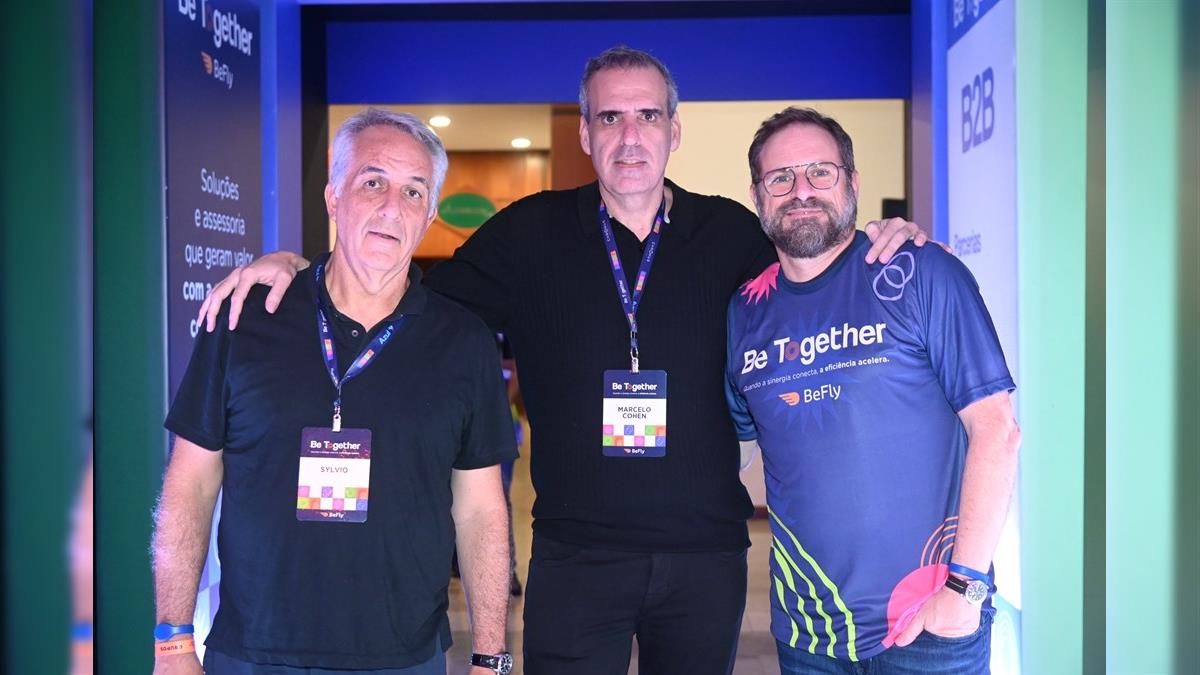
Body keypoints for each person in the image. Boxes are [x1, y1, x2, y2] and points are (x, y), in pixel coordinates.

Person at [198, 47, 927, 674]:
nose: (630, 136)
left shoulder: (733, 233)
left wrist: (888, 239)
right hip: (576, 557)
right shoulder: (530, 233)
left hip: (704, 556)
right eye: (610, 117)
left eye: (647, 116)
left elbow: (817, 267)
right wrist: (299, 267)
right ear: (585, 133)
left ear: (674, 130)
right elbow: (400, 294)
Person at [152, 109, 517, 675]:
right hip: (252, 654)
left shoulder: (464, 343)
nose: (392, 207)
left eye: (413, 192)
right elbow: (189, 484)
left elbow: (481, 512)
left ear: (428, 217)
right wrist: (173, 642)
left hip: (402, 660)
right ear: (333, 197)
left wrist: (491, 659)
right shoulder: (246, 318)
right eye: (372, 182)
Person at [726, 107, 1020, 674]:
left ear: (853, 182)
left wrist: (965, 590)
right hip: (810, 632)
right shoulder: (745, 311)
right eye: (780, 178)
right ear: (757, 196)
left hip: (931, 624)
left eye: (821, 172)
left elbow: (997, 431)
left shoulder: (920, 272)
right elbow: (735, 448)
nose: (801, 191)